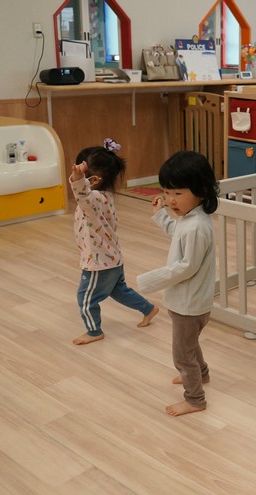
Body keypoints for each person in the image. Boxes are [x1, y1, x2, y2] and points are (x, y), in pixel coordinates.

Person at [137, 151, 220, 417]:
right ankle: (202, 374)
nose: (171, 200)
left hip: (189, 303)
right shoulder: (191, 218)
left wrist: (150, 280)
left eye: (178, 193)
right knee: (190, 343)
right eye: (166, 192)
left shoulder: (196, 226)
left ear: (201, 191)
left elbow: (187, 266)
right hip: (189, 301)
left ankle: (195, 399)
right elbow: (177, 234)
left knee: (182, 355)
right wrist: (161, 216)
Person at [69, 138, 158, 346]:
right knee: (118, 291)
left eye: (83, 173)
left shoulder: (93, 199)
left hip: (98, 263)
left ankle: (94, 331)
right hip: (112, 258)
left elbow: (82, 194)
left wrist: (77, 178)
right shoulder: (105, 197)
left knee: (86, 298)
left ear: (93, 180)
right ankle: (148, 309)